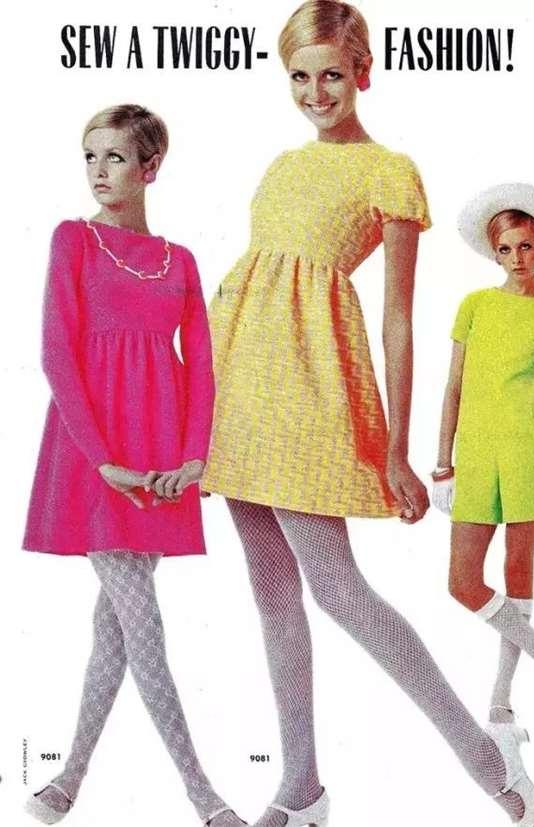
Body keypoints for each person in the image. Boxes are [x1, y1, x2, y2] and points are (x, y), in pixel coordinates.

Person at [202, 3, 534, 825]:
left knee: (339, 590)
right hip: (239, 385)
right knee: (272, 592)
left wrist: (395, 448)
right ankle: (302, 788)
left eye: (332, 74)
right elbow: (250, 283)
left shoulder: (389, 171)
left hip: (310, 388)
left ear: (363, 72)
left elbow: (396, 318)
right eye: (299, 76)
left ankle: (486, 756)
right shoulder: (281, 166)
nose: (315, 92)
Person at [22, 104, 244, 827]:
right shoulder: (74, 239)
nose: (98, 171)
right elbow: (56, 353)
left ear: (150, 167)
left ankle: (65, 784)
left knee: (117, 630)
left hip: (160, 458)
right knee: (141, 624)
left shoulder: (180, 260)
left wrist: (194, 457)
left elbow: (201, 365)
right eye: (90, 156)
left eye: (114, 157)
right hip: (95, 456)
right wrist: (103, 461)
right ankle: (204, 796)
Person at [433, 182, 534, 732]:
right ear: (494, 253)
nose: (516, 258)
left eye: (525, 246)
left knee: (517, 571)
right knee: (463, 584)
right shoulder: (475, 305)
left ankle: (501, 701)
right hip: (475, 455)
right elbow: (454, 387)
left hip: (528, 451)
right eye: (505, 249)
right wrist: (442, 465)